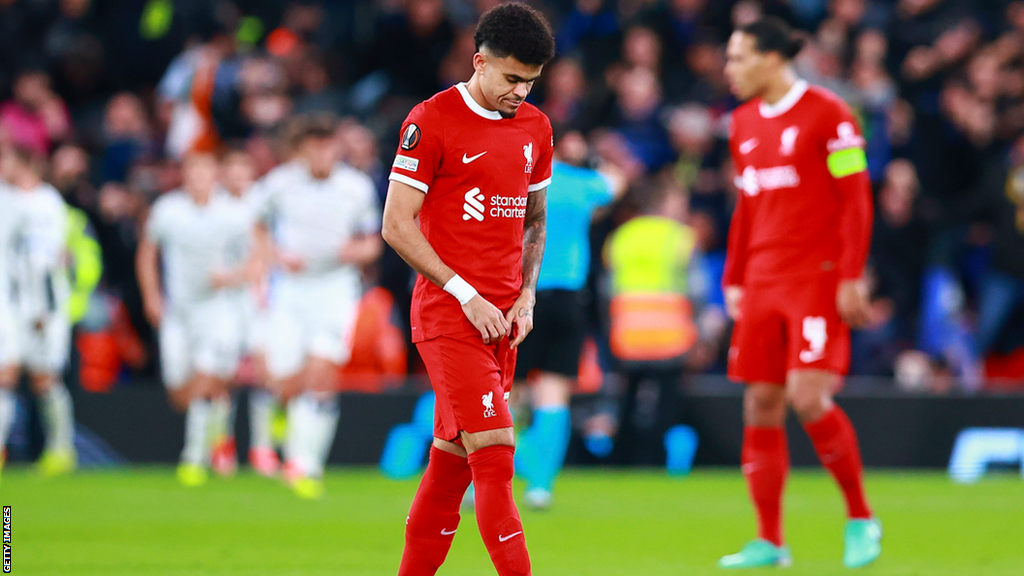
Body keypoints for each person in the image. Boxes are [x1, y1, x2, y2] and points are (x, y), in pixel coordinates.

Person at [381, 4, 555, 575]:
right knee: (497, 453)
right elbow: (396, 224)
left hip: (503, 319)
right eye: (510, 79)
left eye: (531, 81)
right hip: (450, 313)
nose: (521, 92)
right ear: (479, 62)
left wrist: (526, 295)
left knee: (452, 461)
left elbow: (534, 218)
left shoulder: (535, 128)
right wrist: (465, 293)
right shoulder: (431, 120)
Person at [719, 17, 881, 569]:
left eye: (739, 58)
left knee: (807, 397)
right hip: (763, 278)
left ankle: (861, 517)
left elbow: (856, 198)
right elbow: (745, 206)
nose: (729, 70)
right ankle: (770, 541)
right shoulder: (740, 124)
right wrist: (734, 277)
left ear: (771, 59)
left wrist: (852, 275)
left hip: (816, 275)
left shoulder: (830, 113)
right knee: (760, 403)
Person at [250, 115, 382, 499]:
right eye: (314, 145)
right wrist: (274, 254)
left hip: (335, 288)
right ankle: (282, 415)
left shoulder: (355, 188)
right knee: (286, 377)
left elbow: (373, 241)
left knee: (322, 373)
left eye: (327, 144)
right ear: (302, 149)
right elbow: (255, 225)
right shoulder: (280, 183)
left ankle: (305, 464)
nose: (321, 152)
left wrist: (355, 250)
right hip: (290, 290)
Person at [513, 130, 624, 509]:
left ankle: (486, 481)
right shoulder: (585, 184)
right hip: (568, 299)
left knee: (509, 395)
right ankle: (540, 485)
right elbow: (618, 182)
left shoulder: (524, 179)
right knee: (554, 394)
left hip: (521, 293)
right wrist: (595, 158)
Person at [136, 151, 254, 487]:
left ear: (215, 176)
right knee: (179, 392)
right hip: (178, 310)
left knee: (205, 378)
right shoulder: (167, 210)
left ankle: (194, 458)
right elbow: (147, 253)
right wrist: (151, 296)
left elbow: (261, 257)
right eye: (193, 172)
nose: (199, 179)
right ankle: (218, 426)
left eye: (205, 172)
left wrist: (232, 277)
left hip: (218, 309)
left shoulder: (234, 214)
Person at [603, 183, 698, 466]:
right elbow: (697, 289)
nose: (684, 210)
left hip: (628, 335)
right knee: (665, 405)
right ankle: (656, 461)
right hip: (670, 337)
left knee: (628, 401)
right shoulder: (681, 237)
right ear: (663, 203)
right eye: (680, 203)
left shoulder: (621, 236)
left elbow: (607, 288)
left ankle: (622, 461)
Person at [1, 145, 76, 477]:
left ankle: (62, 449)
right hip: (10, 303)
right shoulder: (6, 199)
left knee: (44, 378)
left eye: (6, 158)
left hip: (43, 305)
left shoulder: (47, 202)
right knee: (6, 373)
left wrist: (44, 309)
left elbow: (50, 258)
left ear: (23, 162)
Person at [206, 148, 282, 478]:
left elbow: (269, 248)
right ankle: (220, 445)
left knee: (265, 375)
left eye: (243, 171)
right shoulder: (213, 208)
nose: (238, 178)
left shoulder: (261, 203)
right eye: (232, 171)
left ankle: (263, 447)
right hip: (222, 302)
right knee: (224, 376)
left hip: (259, 299)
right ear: (223, 174)